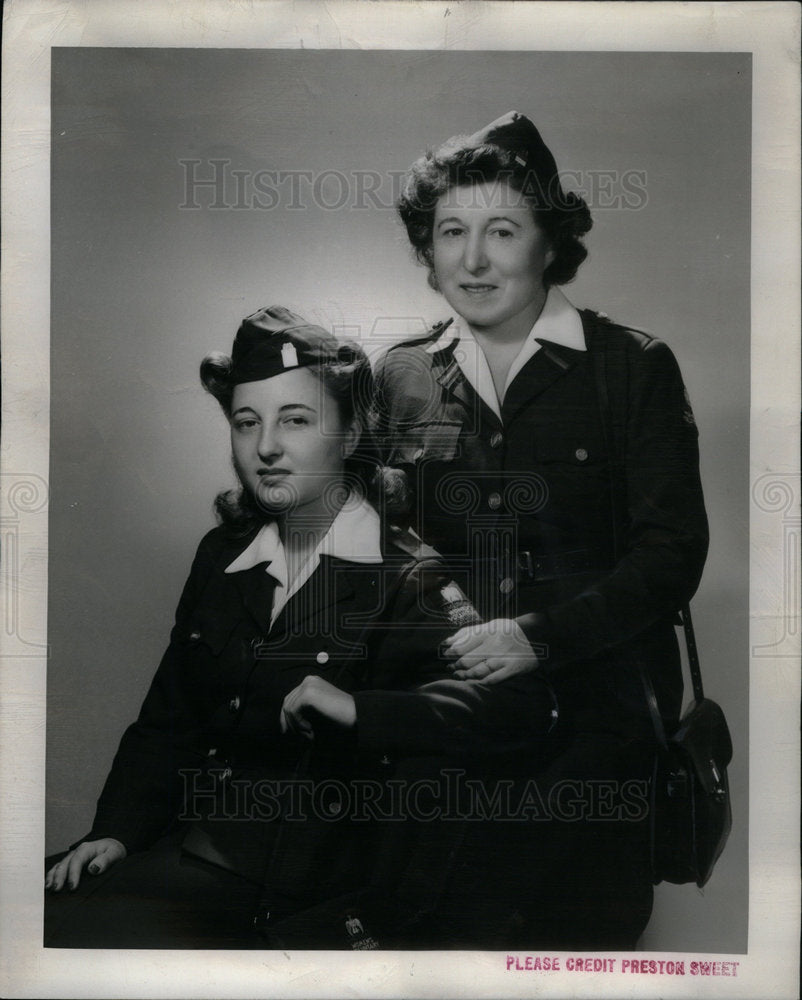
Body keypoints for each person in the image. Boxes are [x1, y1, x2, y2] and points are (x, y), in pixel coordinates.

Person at [44, 304, 557, 949]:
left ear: (348, 434)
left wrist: (362, 709)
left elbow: (518, 706)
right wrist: (115, 830)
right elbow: (168, 720)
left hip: (317, 891)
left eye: (296, 420)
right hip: (196, 849)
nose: (265, 448)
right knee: (42, 913)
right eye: (245, 423)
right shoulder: (223, 555)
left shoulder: (407, 575)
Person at [366, 111, 710, 947]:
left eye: (502, 230)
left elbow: (671, 556)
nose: (473, 259)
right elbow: (385, 546)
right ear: (428, 248)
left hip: (596, 742)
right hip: (447, 735)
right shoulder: (403, 374)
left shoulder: (632, 368)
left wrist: (538, 640)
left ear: (550, 243)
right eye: (451, 231)